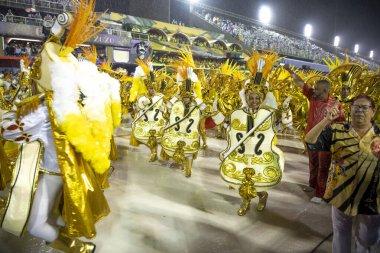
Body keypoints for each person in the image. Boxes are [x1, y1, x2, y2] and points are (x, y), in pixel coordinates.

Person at [305, 94, 380, 253]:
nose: (359, 110)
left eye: (364, 107)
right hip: (340, 194)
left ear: (373, 111)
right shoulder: (337, 130)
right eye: (356, 107)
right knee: (340, 232)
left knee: (368, 238)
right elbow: (310, 140)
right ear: (350, 110)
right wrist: (326, 120)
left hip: (371, 198)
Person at [284, 64, 345, 204]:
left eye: (316, 88)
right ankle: (313, 186)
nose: (313, 89)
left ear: (325, 90)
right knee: (313, 164)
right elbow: (300, 82)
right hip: (311, 137)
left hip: (325, 140)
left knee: (323, 166)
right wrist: (289, 70)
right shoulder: (312, 96)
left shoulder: (335, 103)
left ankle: (321, 195)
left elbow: (341, 122)